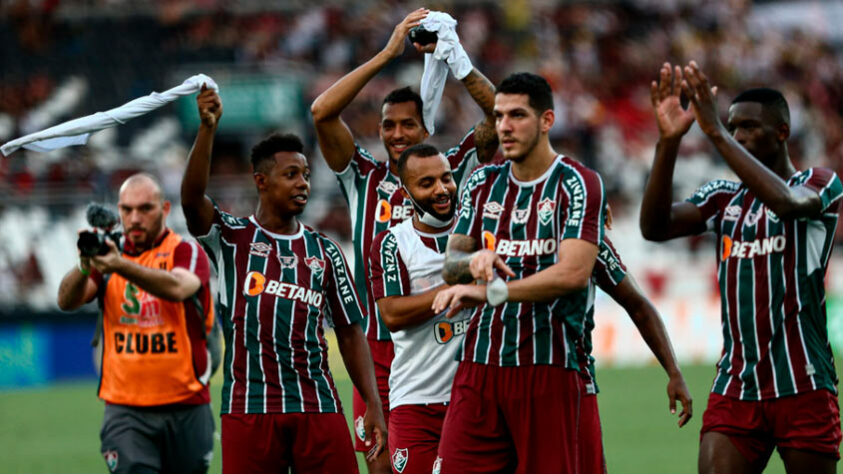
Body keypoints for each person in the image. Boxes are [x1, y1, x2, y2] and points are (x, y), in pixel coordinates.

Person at [310, 8, 497, 472]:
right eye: (388, 125)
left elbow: (505, 116)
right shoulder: (362, 178)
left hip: (442, 349)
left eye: (408, 125)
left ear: (425, 129)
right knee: (380, 467)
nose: (397, 134)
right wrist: (388, 53)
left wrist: (457, 59)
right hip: (375, 352)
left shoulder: (452, 171)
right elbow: (321, 112)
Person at [640, 61, 842, 473]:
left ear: (782, 132)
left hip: (803, 382)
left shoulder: (821, 183)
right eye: (733, 128)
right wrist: (669, 142)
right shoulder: (723, 197)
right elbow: (654, 227)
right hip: (737, 383)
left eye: (749, 127)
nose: (738, 136)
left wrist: (713, 131)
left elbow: (787, 203)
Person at [181, 87, 386, 473]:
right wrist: (208, 129)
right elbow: (192, 201)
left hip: (318, 405)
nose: (303, 183)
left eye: (306, 175)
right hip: (250, 407)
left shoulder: (324, 251)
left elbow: (349, 331)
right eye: (291, 175)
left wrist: (372, 404)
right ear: (261, 181)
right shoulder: (231, 238)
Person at [430, 72, 607, 473]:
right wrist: (473, 263)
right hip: (478, 364)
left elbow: (573, 274)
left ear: (547, 120)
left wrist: (493, 292)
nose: (504, 127)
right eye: (497, 116)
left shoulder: (578, 184)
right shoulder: (481, 183)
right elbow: (452, 266)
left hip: (546, 366)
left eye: (517, 115)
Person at [57, 173, 216, 474]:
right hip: (125, 408)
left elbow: (178, 288)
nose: (135, 218)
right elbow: (66, 301)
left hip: (187, 402)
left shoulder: (185, 251)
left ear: (165, 209)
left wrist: (120, 265)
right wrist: (83, 264)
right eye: (127, 210)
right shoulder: (106, 258)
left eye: (145, 209)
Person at [367, 144, 468, 474]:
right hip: (416, 401)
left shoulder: (476, 229)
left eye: (447, 178)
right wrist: (456, 286)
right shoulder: (392, 242)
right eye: (427, 183)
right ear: (405, 189)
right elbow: (393, 313)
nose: (442, 190)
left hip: (473, 399)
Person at [579, 235, 693, 473]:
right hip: (496, 375)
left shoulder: (586, 235)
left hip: (571, 383)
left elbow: (638, 305)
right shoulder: (495, 226)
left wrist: (674, 372)